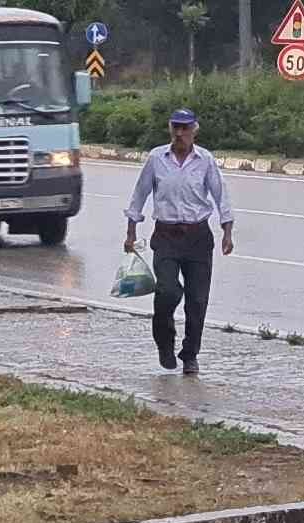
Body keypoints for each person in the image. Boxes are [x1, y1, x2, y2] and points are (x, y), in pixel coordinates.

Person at [124, 108, 236, 376]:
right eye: (176, 127)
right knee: (167, 291)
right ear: (170, 128)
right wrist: (131, 232)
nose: (180, 133)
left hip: (198, 237)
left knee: (197, 300)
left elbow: (222, 197)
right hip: (166, 236)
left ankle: (190, 355)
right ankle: (165, 343)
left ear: (194, 130)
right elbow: (139, 195)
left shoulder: (205, 160)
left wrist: (227, 232)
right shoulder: (156, 158)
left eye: (185, 128)